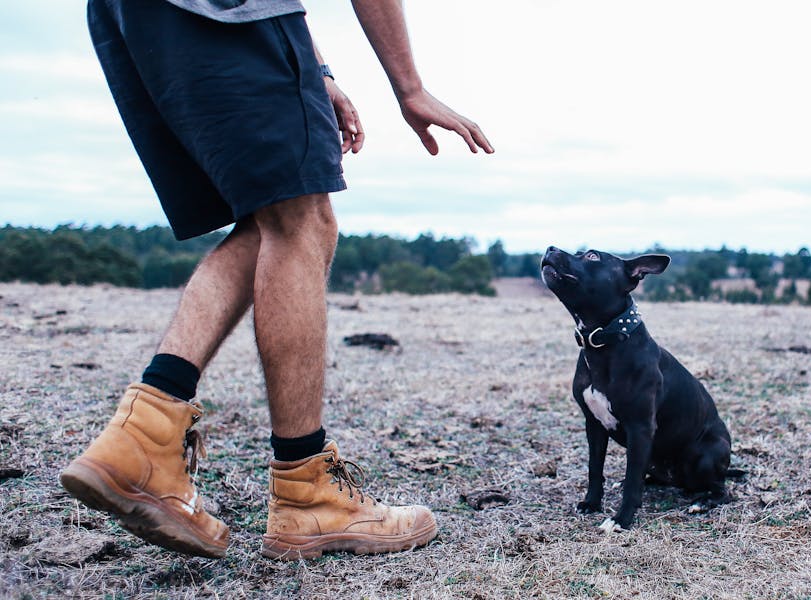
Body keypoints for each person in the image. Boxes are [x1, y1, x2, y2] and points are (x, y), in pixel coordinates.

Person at [60, 0, 492, 560]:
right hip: (224, 13)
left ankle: (144, 435)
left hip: (134, 17)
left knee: (274, 215)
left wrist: (319, 70)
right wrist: (409, 86)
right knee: (304, 219)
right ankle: (306, 492)